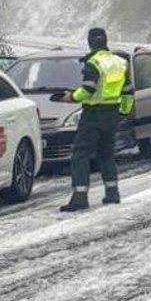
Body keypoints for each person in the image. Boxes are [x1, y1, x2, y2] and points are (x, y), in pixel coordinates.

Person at [61, 27, 134, 212]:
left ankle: (80, 197)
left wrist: (71, 97)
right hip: (112, 115)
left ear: (90, 42)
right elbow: (128, 92)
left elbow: (87, 90)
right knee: (106, 154)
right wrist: (123, 113)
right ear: (105, 41)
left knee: (81, 154)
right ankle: (112, 192)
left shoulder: (93, 63)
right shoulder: (120, 62)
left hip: (93, 114)